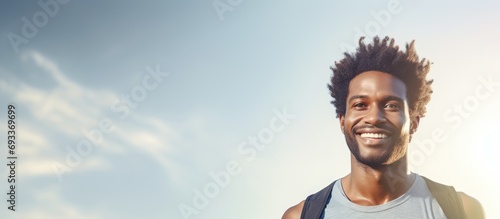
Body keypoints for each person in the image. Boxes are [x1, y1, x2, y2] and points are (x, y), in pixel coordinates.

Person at [282, 36, 484, 219]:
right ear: (342, 121)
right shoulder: (301, 215)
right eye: (360, 105)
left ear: (414, 122)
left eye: (391, 106)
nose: (374, 117)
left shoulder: (462, 210)